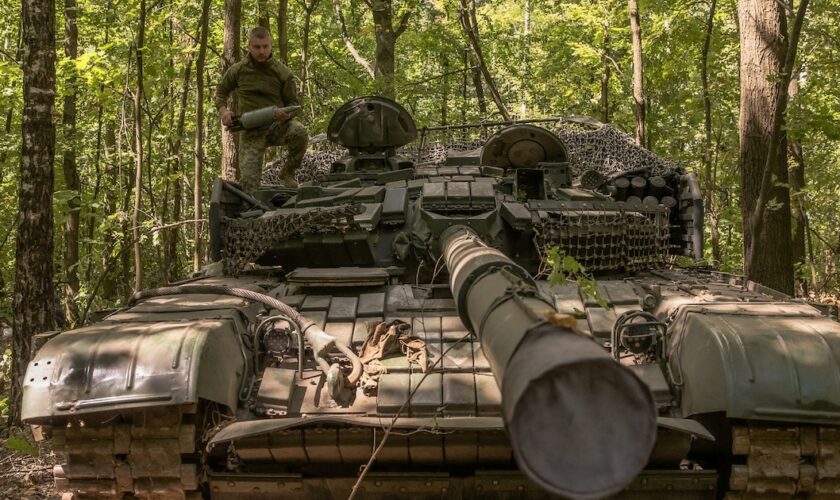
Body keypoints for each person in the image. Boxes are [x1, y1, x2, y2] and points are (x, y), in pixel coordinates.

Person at [214, 27, 308, 190]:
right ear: (249, 46)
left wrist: (285, 115)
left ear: (271, 46)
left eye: (265, 46)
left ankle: (287, 172)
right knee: (249, 184)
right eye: (257, 47)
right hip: (251, 132)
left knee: (300, 133)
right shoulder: (238, 70)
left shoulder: (282, 73)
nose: (261, 51)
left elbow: (293, 104)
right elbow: (221, 92)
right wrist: (224, 111)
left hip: (277, 126)